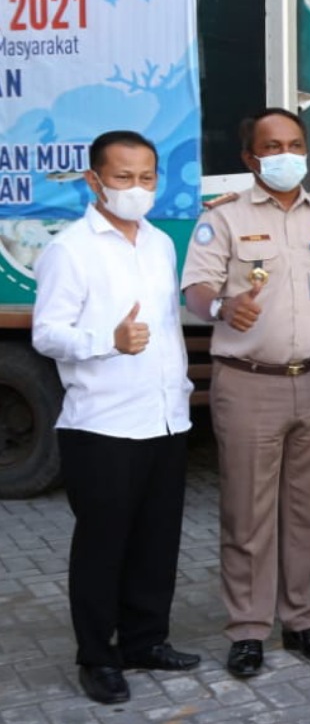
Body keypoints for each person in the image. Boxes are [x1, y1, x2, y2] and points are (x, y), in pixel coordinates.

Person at [181, 107, 310, 678]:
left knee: (309, 510)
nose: (287, 155)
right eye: (273, 147)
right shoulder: (224, 217)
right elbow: (195, 289)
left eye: (295, 145)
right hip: (250, 382)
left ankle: (301, 620)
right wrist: (222, 305)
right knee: (248, 513)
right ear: (250, 158)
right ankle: (249, 629)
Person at [33, 131, 199, 705]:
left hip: (165, 419)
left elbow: (167, 327)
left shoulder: (159, 243)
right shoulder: (70, 249)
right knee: (103, 547)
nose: (136, 188)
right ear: (94, 180)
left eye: (147, 177)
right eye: (123, 177)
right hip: (102, 424)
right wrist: (109, 340)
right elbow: (47, 333)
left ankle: (144, 641)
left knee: (156, 542)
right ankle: (97, 656)